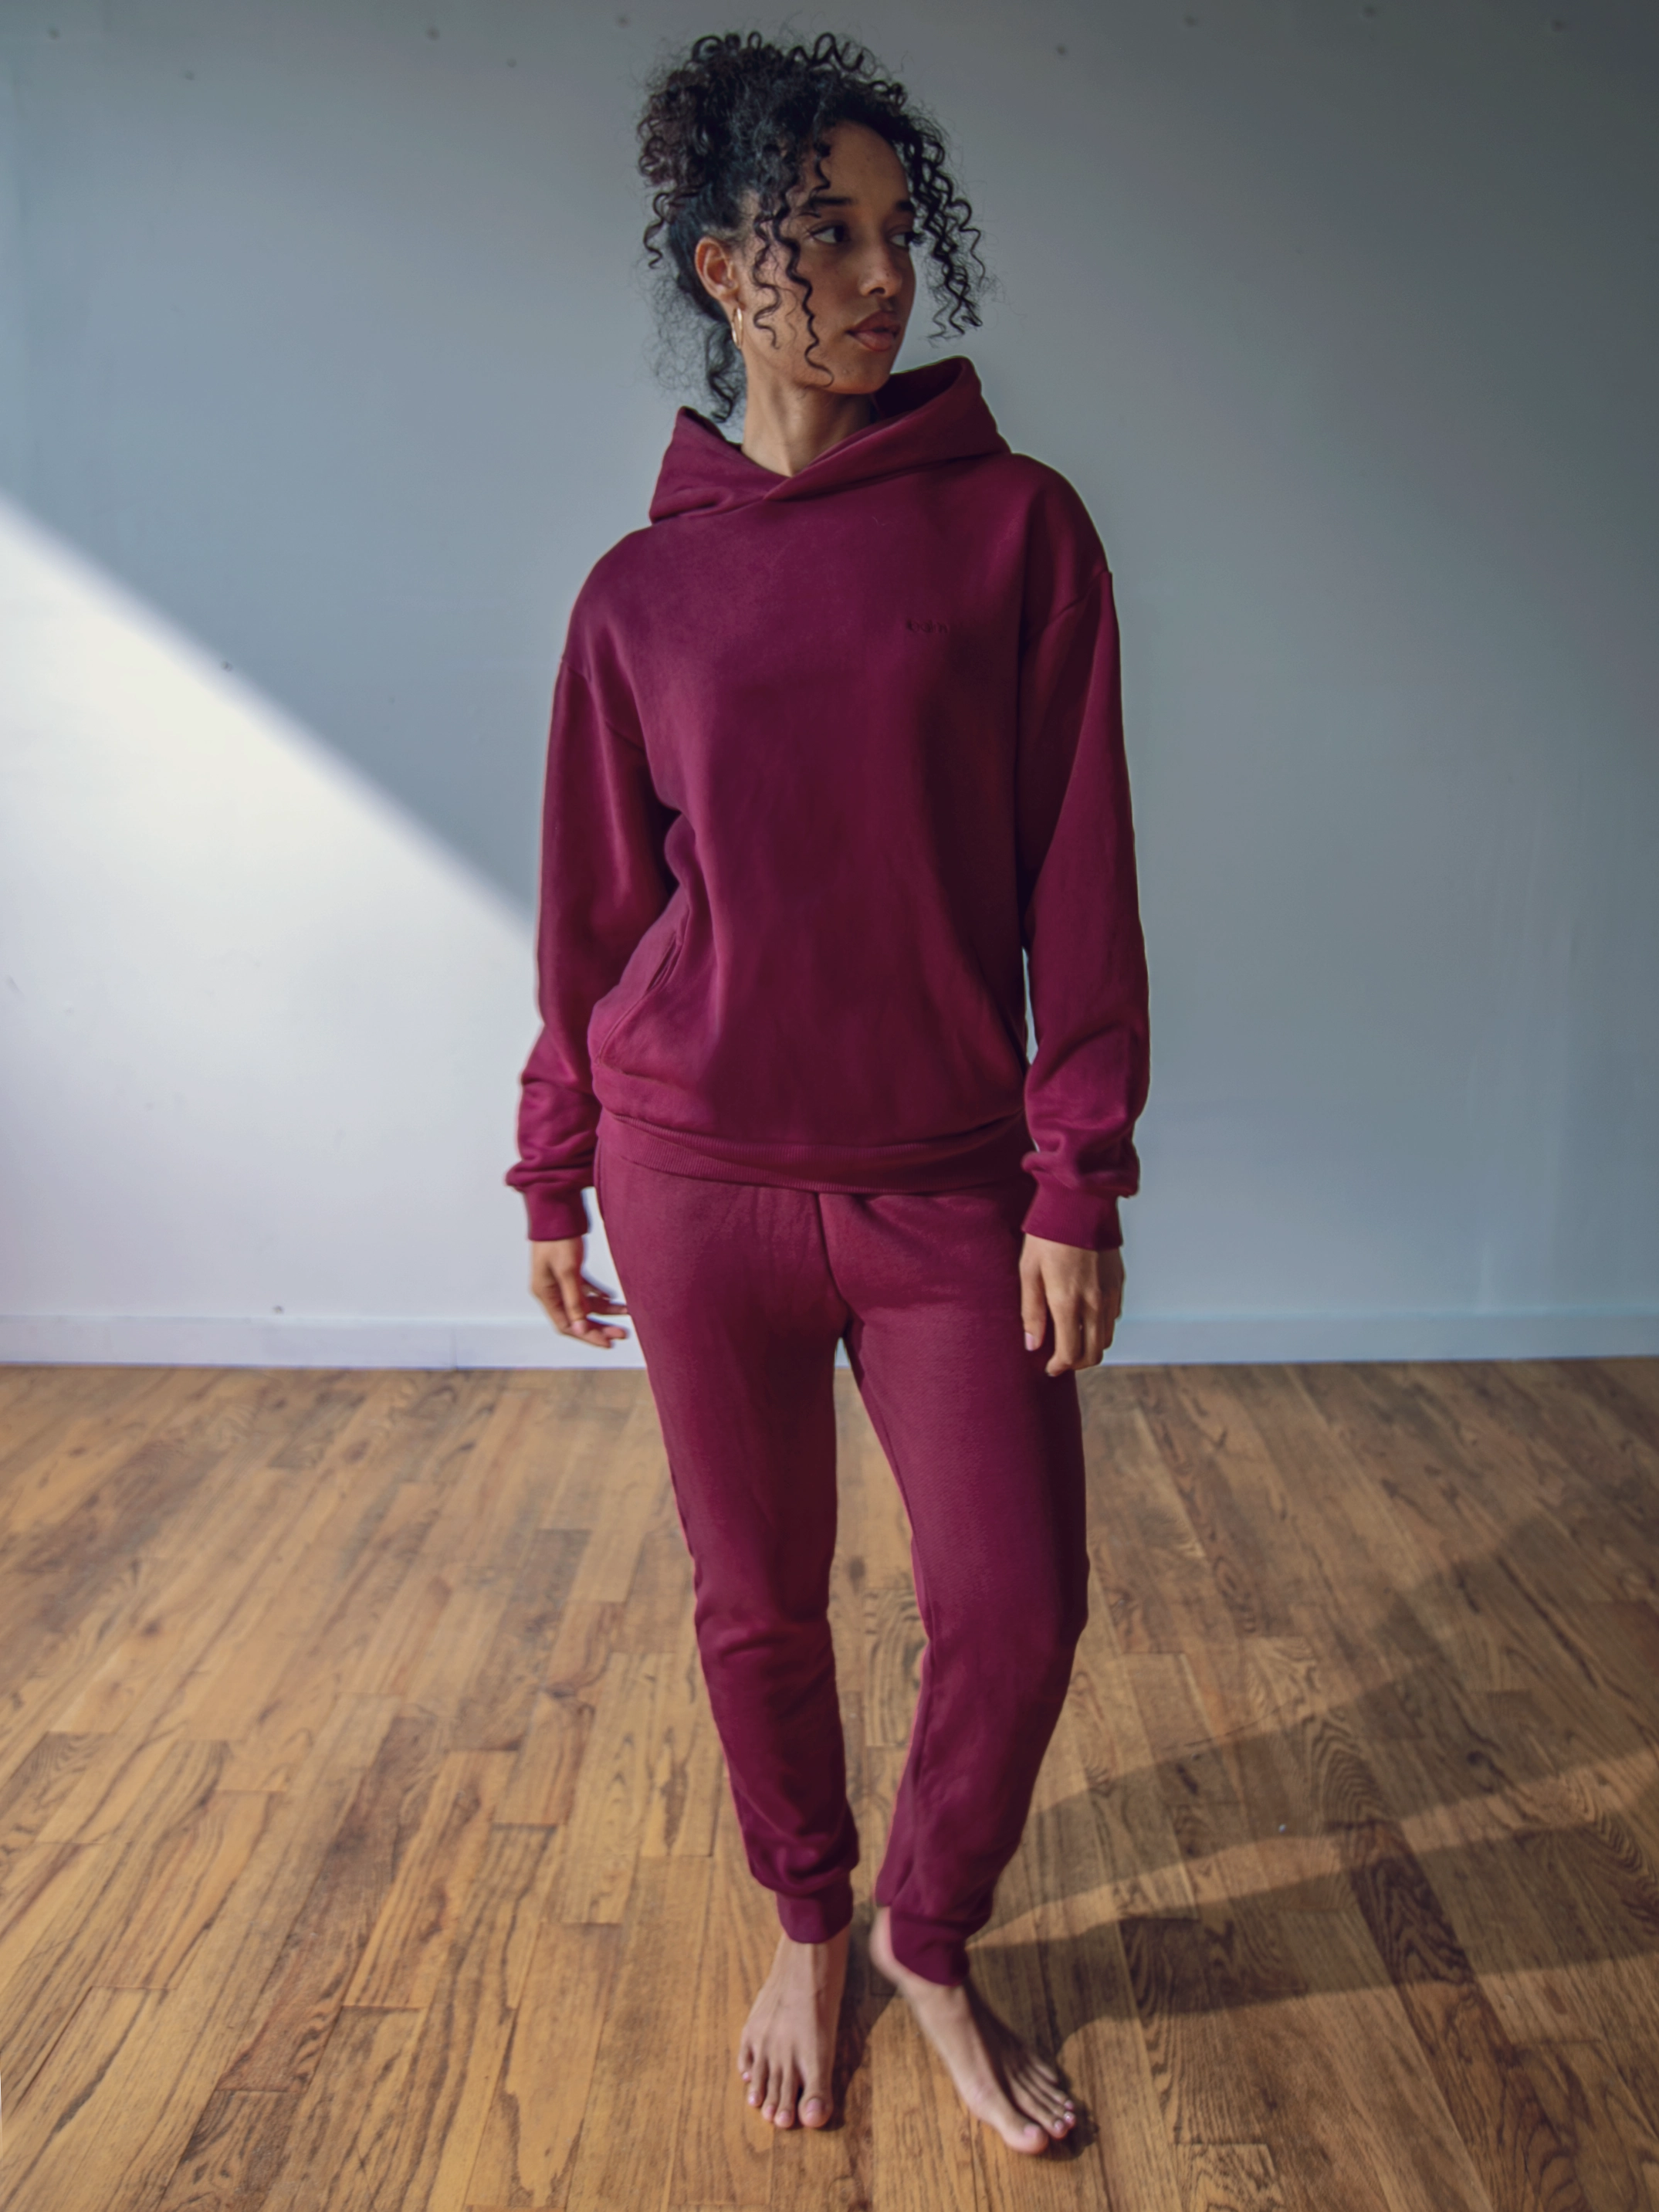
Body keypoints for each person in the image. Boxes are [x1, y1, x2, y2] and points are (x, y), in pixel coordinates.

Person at [507, 29, 1149, 2159]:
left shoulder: (1018, 539)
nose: (879, 281)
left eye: (896, 237)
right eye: (822, 240)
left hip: (944, 1183)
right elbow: (594, 918)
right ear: (720, 268)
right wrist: (553, 1170)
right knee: (752, 1599)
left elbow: (1080, 870)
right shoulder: (641, 591)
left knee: (1016, 1605)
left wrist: (1076, 1175)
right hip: (691, 1172)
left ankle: (925, 1932)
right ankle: (805, 1912)